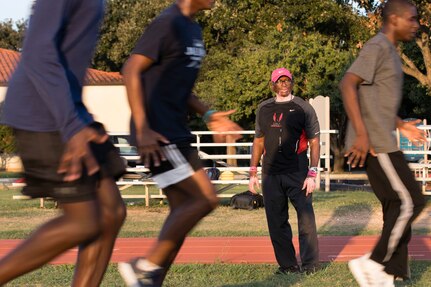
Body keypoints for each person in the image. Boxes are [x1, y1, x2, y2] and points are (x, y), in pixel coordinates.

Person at [0, 0, 127, 286]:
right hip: (43, 114)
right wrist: (71, 125)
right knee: (83, 222)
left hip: (72, 113)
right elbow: (38, 53)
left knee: (110, 213)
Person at [117, 1, 243, 286]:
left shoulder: (193, 29)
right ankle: (143, 266)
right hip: (157, 133)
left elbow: (178, 86)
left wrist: (208, 114)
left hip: (176, 130)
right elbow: (131, 70)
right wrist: (143, 127)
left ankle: (149, 280)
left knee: (182, 213)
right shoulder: (168, 22)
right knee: (204, 199)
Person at [339, 0, 427, 286]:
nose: (416, 25)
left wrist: (400, 123)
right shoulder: (377, 46)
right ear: (394, 19)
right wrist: (363, 135)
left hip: (381, 136)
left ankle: (392, 272)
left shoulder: (390, 51)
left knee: (395, 204)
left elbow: (375, 100)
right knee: (410, 200)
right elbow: (348, 83)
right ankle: (374, 263)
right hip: (375, 141)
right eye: (411, 19)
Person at [248, 68, 321, 275]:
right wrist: (253, 172)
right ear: (273, 84)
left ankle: (311, 265)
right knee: (276, 222)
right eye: (279, 81)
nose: (283, 84)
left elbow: (315, 141)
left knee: (306, 219)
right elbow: (259, 141)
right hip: (271, 173)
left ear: (291, 83)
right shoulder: (263, 108)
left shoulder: (303, 108)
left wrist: (313, 173)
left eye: (287, 80)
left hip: (297, 171)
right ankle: (288, 265)